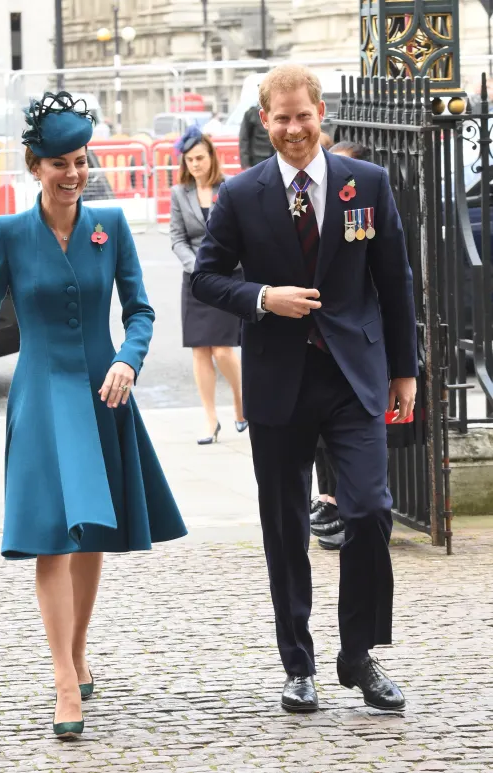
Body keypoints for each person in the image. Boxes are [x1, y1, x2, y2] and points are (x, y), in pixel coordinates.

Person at [0, 91, 187, 739]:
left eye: (80, 160)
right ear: (35, 166)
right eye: (59, 163)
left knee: (91, 533)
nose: (73, 173)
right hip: (39, 398)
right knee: (52, 536)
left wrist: (129, 360)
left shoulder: (110, 227)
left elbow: (140, 311)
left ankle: (78, 649)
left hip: (101, 393)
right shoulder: (9, 234)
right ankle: (63, 678)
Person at [192, 63, 417, 713]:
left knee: (370, 508)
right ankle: (298, 663)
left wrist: (405, 371)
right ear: (265, 122)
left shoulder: (367, 185)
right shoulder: (240, 195)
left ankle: (359, 655)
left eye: (303, 115)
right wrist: (263, 296)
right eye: (281, 118)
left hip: (354, 376)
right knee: (285, 526)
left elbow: (396, 282)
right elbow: (206, 279)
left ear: (323, 113)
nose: (293, 128)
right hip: (277, 380)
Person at [311, 139, 373, 552]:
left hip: (356, 348)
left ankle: (345, 505)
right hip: (307, 352)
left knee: (369, 495)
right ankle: (329, 500)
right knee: (317, 439)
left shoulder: (370, 195)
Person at [170, 126, 247, 444]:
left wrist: (216, 266)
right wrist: (197, 267)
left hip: (227, 276)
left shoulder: (230, 188)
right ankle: (210, 419)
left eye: (200, 158)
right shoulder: (179, 193)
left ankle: (242, 404)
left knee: (222, 349)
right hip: (195, 279)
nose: (195, 165)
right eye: (189, 160)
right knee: (200, 350)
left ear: (212, 158)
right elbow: (177, 238)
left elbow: (241, 233)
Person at [239, 103, 275, 169]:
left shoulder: (276, 111)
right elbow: (244, 139)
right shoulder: (251, 113)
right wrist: (245, 164)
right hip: (257, 158)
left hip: (275, 156)